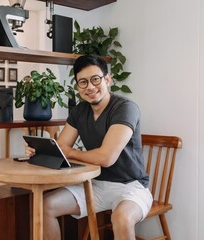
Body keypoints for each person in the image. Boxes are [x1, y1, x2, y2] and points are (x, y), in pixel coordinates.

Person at [26, 55, 153, 240]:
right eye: (83, 82)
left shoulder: (126, 108)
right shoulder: (79, 111)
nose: (90, 87)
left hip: (131, 186)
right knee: (44, 205)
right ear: (78, 87)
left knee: (122, 218)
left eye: (95, 79)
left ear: (107, 79)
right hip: (95, 184)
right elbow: (61, 148)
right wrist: (40, 150)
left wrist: (69, 152)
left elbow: (106, 158)